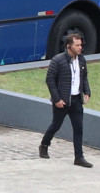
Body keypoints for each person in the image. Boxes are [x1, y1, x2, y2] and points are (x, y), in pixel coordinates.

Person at [39, 31, 93, 167]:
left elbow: (83, 77)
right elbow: (49, 80)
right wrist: (56, 99)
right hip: (62, 102)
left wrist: (87, 91)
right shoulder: (58, 60)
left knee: (78, 128)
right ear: (69, 46)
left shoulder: (81, 60)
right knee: (55, 125)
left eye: (81, 45)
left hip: (76, 101)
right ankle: (44, 144)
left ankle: (79, 157)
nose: (81, 47)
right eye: (77, 45)